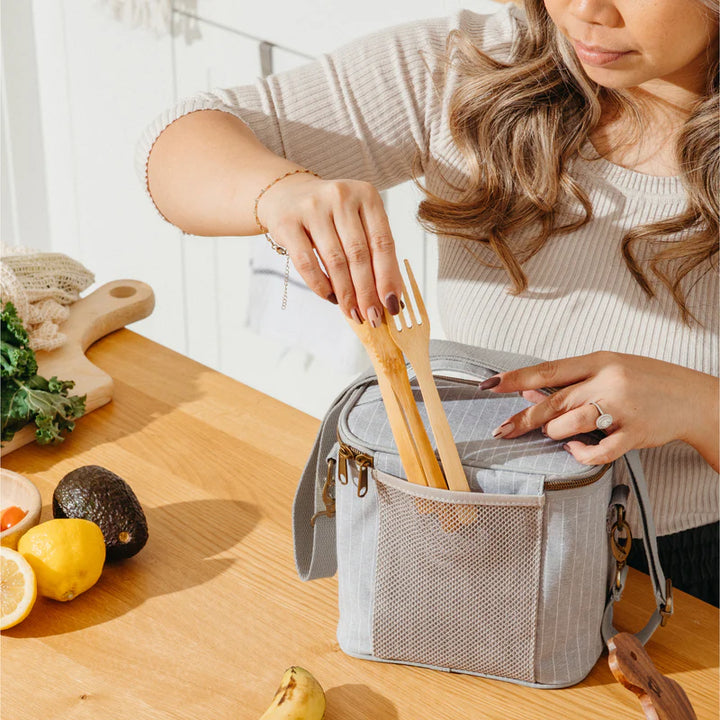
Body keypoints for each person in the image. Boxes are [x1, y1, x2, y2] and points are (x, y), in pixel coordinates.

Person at [139, 0, 719, 605]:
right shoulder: (476, 65)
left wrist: (700, 406)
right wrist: (279, 192)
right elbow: (174, 142)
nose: (583, 9)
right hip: (465, 530)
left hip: (686, 573)